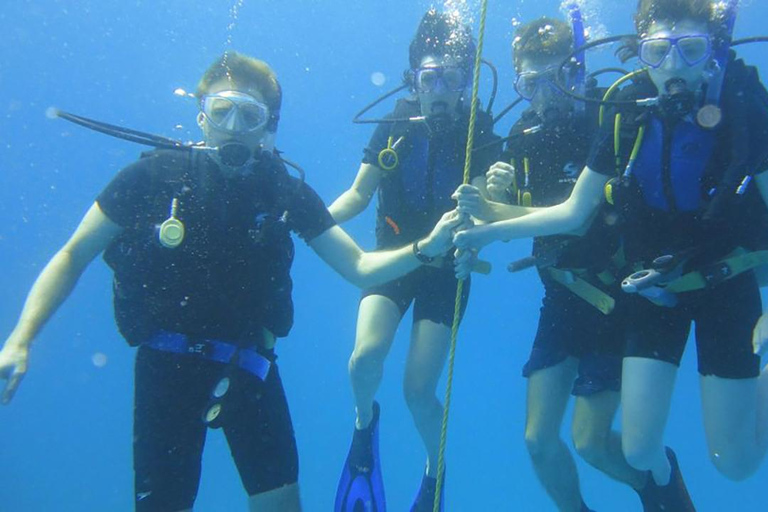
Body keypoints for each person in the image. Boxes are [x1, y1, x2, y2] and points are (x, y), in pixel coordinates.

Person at [0, 52, 464, 512]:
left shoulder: (282, 190)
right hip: (166, 368)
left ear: (269, 126)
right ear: (201, 117)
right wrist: (20, 339)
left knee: (283, 504)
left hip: (251, 368)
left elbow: (360, 267)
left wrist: (431, 245)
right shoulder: (152, 177)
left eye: (250, 114)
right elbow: (72, 254)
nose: (234, 126)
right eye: (222, 111)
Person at [455, 0, 768, 499]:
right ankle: (663, 496)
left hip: (724, 282)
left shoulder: (745, 103)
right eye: (656, 51)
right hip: (655, 286)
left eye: (690, 50)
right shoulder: (626, 110)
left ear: (714, 50)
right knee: (639, 452)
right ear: (637, 50)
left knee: (734, 464)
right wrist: (489, 226)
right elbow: (576, 212)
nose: (673, 68)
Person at [330, 9, 500, 512]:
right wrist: (310, 218)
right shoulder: (395, 124)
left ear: (465, 82)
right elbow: (359, 195)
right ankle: (364, 428)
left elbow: (491, 205)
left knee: (418, 392)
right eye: (431, 78)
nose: (441, 90)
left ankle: (434, 472)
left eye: (452, 78)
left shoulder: (479, 127)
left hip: (447, 270)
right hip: (396, 257)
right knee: (364, 360)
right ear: (414, 81)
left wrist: (494, 197)